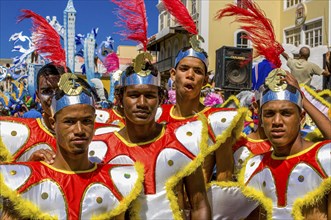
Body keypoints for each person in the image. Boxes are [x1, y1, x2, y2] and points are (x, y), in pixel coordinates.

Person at [0, 72, 144, 219]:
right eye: (69, 122)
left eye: (87, 121)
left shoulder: (116, 182)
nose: (79, 130)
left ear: (95, 121)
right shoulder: (22, 182)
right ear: (52, 123)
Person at [90, 57, 211, 219]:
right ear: (120, 99)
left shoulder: (182, 141)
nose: (141, 103)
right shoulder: (101, 147)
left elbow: (199, 205)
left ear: (160, 98)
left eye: (149, 95)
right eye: (133, 95)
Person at [239, 69, 331, 219]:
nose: (277, 122)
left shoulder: (325, 159)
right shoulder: (254, 166)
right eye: (269, 114)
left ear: (301, 118)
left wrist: (303, 99)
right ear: (261, 120)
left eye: (286, 113)